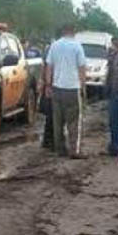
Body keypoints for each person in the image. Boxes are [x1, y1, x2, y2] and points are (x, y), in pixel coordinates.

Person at [45, 24, 87, 158]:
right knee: (74, 121)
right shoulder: (77, 46)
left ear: (63, 32)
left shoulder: (54, 45)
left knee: (58, 121)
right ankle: (74, 150)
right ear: (73, 32)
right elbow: (81, 68)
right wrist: (83, 86)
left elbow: (49, 67)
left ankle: (60, 149)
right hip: (72, 88)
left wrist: (48, 85)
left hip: (57, 88)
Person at [39, 44, 54, 149]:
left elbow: (44, 67)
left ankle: (48, 140)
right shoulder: (52, 49)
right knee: (51, 115)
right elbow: (45, 67)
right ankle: (49, 140)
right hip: (53, 86)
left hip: (52, 85)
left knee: (51, 116)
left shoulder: (51, 49)